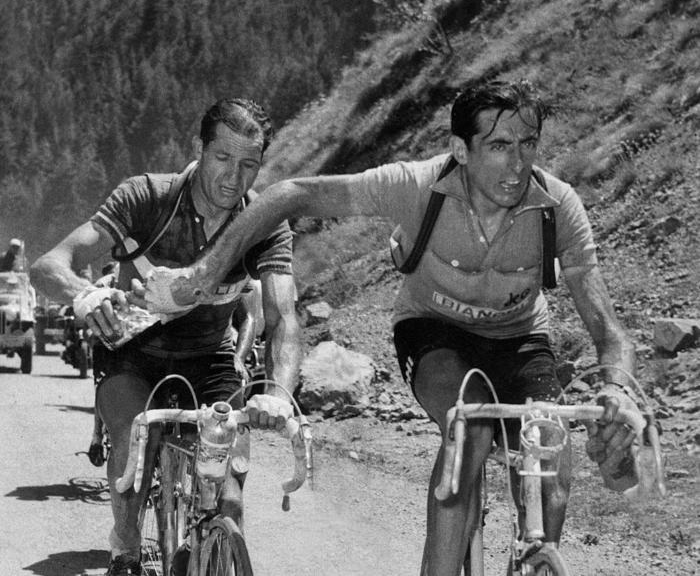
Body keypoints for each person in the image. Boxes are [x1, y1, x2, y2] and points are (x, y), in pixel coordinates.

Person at [141, 80, 644, 576]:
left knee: (550, 451)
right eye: (498, 146)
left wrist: (618, 388)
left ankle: (539, 558)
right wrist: (202, 275)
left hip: (520, 340)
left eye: (527, 144)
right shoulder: (416, 187)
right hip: (433, 332)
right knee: (468, 429)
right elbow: (289, 195)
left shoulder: (558, 206)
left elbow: (608, 328)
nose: (517, 164)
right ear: (460, 150)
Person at [30, 98, 302, 576]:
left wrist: (278, 392)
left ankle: (212, 547)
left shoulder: (264, 221)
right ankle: (127, 548)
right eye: (222, 158)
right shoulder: (147, 197)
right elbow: (48, 265)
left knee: (230, 500)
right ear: (199, 148)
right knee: (132, 445)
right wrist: (83, 296)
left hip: (211, 358)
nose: (233, 179)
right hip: (135, 356)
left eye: (249, 165)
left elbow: (283, 317)